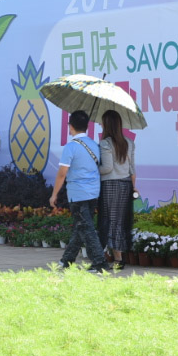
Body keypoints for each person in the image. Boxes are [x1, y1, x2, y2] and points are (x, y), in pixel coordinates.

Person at [51, 110, 111, 273]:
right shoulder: (94, 145)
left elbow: (62, 173)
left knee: (86, 228)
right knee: (82, 226)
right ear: (87, 127)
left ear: (70, 126)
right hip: (93, 192)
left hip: (78, 193)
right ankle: (67, 260)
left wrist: (54, 194)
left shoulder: (71, 147)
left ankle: (100, 263)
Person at [98, 109, 136, 269]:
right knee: (120, 221)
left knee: (110, 220)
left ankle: (116, 258)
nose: (100, 125)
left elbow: (107, 168)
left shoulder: (105, 143)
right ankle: (118, 257)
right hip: (126, 184)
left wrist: (93, 169)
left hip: (110, 185)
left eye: (102, 122)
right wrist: (134, 187)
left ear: (107, 125)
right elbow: (132, 169)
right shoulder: (129, 142)